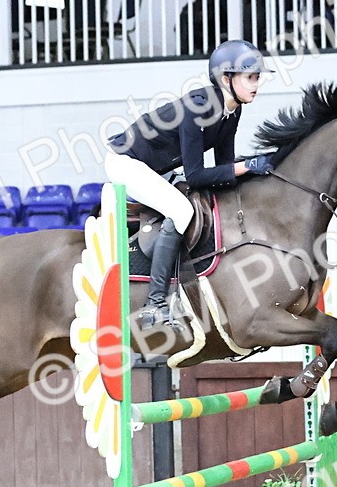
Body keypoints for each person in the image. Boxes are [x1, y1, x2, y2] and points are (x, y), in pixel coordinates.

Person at [104, 39, 276, 328]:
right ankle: (155, 304)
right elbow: (196, 175)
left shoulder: (232, 109)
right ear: (226, 79)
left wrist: (252, 172)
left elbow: (224, 168)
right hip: (126, 163)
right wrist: (246, 166)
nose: (256, 84)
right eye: (250, 77)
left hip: (155, 168)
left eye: (257, 77)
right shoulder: (198, 108)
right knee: (181, 211)